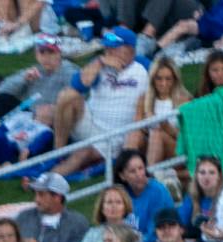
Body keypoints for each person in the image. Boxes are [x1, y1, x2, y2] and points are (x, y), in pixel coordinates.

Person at [51, 28, 152, 178]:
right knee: (67, 96)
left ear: (130, 49)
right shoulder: (99, 64)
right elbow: (79, 85)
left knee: (82, 154)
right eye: (107, 47)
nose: (108, 51)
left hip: (120, 134)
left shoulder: (144, 67)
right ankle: (58, 153)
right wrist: (99, 63)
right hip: (91, 124)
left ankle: (48, 179)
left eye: (113, 47)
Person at [17, 171, 89, 242]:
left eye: (41, 194)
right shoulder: (24, 216)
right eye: (35, 194)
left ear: (57, 197)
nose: (36, 199)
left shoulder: (77, 223)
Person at [114, 147, 175, 240]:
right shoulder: (121, 195)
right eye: (132, 171)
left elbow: (154, 235)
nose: (139, 174)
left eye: (141, 168)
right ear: (122, 176)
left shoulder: (157, 192)